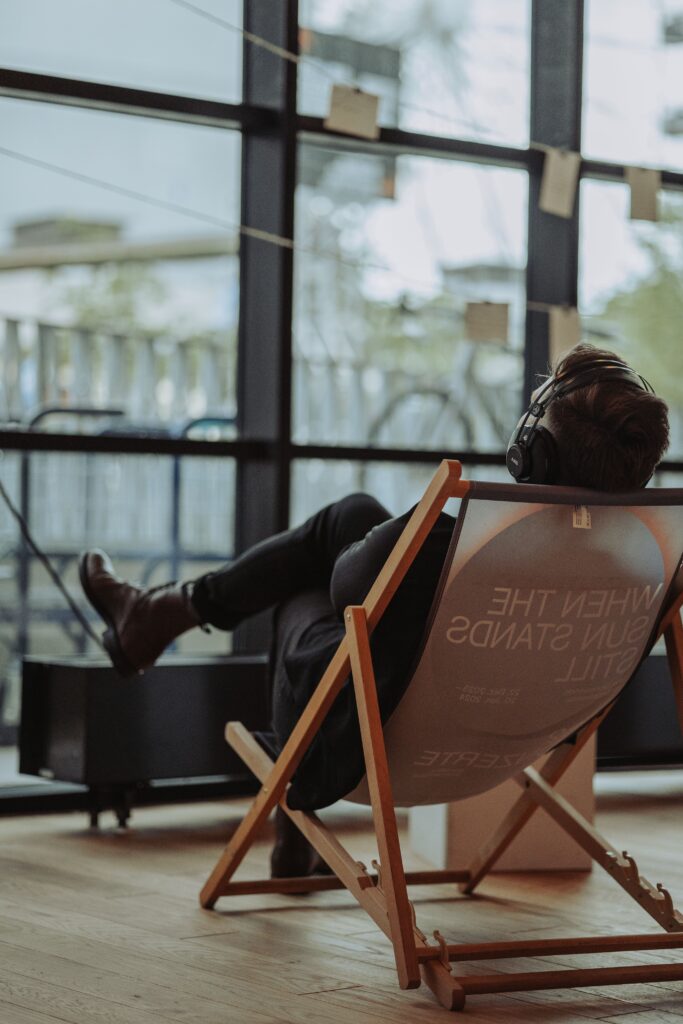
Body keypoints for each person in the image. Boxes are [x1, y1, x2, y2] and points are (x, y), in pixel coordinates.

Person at [79, 343, 670, 875]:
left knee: (307, 580)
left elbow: (342, 584)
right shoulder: (651, 571)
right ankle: (159, 614)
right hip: (510, 751)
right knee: (354, 515)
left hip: (367, 748)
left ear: (531, 453)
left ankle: (165, 618)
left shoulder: (448, 550)